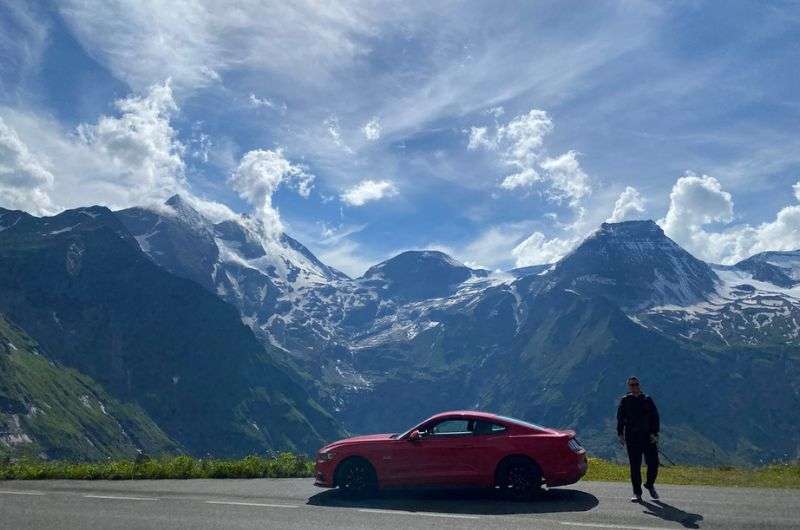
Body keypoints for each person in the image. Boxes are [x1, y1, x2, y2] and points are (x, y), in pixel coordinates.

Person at [617, 376, 660, 502]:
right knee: (635, 466)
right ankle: (637, 493)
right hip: (632, 437)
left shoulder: (647, 399)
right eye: (631, 385)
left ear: (639, 385)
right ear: (628, 387)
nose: (634, 387)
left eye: (636, 384)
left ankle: (650, 484)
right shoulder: (625, 400)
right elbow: (620, 418)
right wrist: (620, 434)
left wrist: (654, 433)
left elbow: (655, 417)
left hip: (648, 436)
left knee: (653, 463)